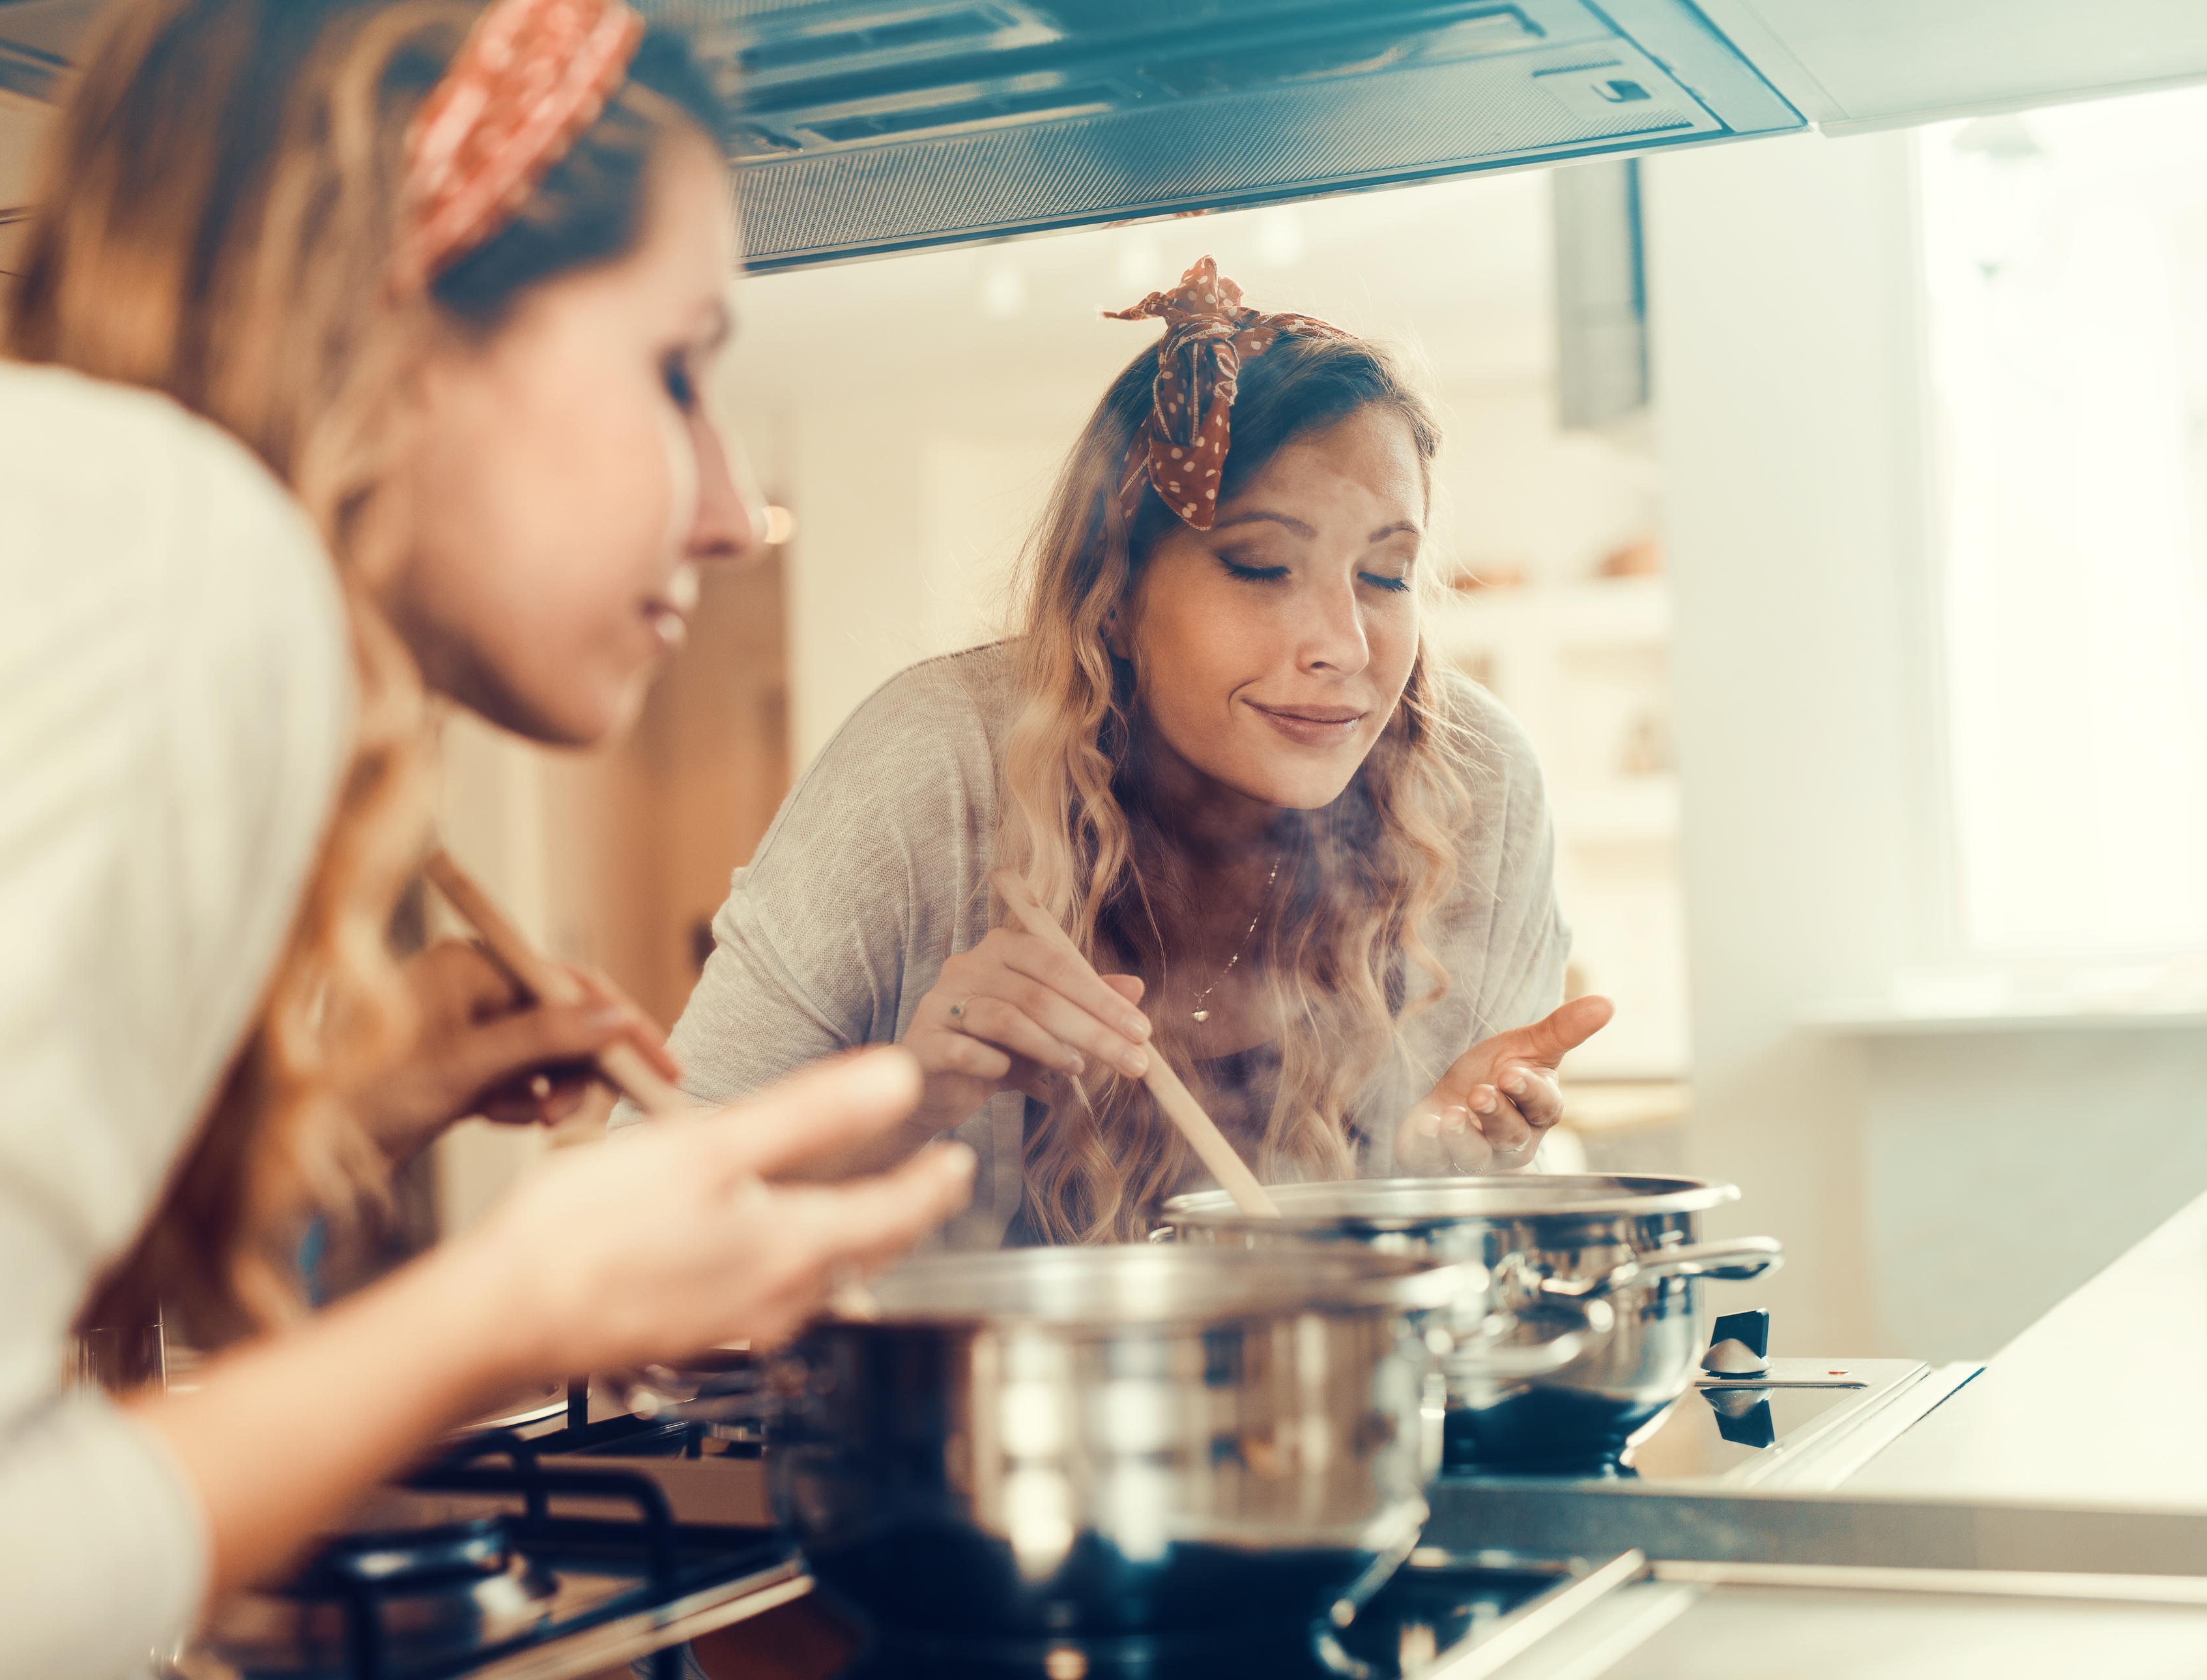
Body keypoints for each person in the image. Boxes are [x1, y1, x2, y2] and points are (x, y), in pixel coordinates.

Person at [0, 1, 974, 1674]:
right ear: (392, 301)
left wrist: (335, 1117)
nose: (729, 506)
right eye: (675, 367)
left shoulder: (60, 527)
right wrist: (512, 1307)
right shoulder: (160, 564)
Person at [633, 257, 1612, 1248]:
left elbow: (1441, 1295)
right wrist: (912, 1101)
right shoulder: (936, 766)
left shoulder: (1474, 787)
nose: (1346, 647)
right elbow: (653, 1197)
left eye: (1388, 574)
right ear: (1115, 590)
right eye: (1263, 566)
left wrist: (1436, 1184)